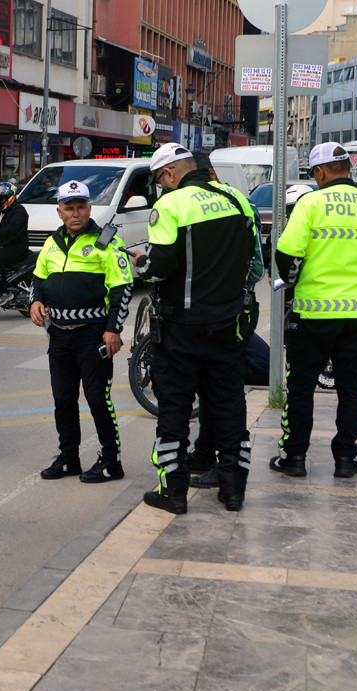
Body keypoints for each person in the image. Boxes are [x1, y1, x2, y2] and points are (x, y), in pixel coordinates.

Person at [133, 143, 254, 515]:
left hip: (182, 328)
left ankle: (173, 494)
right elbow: (250, 254)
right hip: (228, 325)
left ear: (169, 173)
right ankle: (233, 492)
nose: (161, 188)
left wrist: (141, 263)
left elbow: (161, 265)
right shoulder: (236, 199)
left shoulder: (171, 205)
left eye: (159, 180)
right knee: (229, 409)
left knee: (174, 412)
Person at [269, 142, 357, 479]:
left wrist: (292, 284)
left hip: (312, 315)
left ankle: (294, 458)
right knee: (351, 389)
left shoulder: (310, 203)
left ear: (321, 172)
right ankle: (344, 459)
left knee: (301, 388)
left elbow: (287, 255)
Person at [30, 180, 134, 483]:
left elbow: (122, 289)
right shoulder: (52, 242)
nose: (75, 213)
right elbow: (39, 278)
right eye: (69, 208)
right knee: (63, 399)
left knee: (98, 399)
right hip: (59, 335)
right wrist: (36, 299)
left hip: (93, 335)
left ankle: (112, 461)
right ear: (60, 211)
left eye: (81, 207)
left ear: (90, 209)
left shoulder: (105, 241)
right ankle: (69, 457)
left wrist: (113, 330)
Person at [187, 155, 267, 490]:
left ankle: (224, 464)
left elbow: (255, 268)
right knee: (210, 390)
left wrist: (226, 293)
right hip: (225, 313)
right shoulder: (235, 203)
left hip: (229, 316)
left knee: (222, 393)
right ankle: (205, 452)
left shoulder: (235, 205)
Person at [0, 182, 29, 278]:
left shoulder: (19, 210)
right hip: (4, 245)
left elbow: (11, 229)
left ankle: (2, 288)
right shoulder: (2, 211)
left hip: (17, 248)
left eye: (1, 199)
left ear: (10, 197)